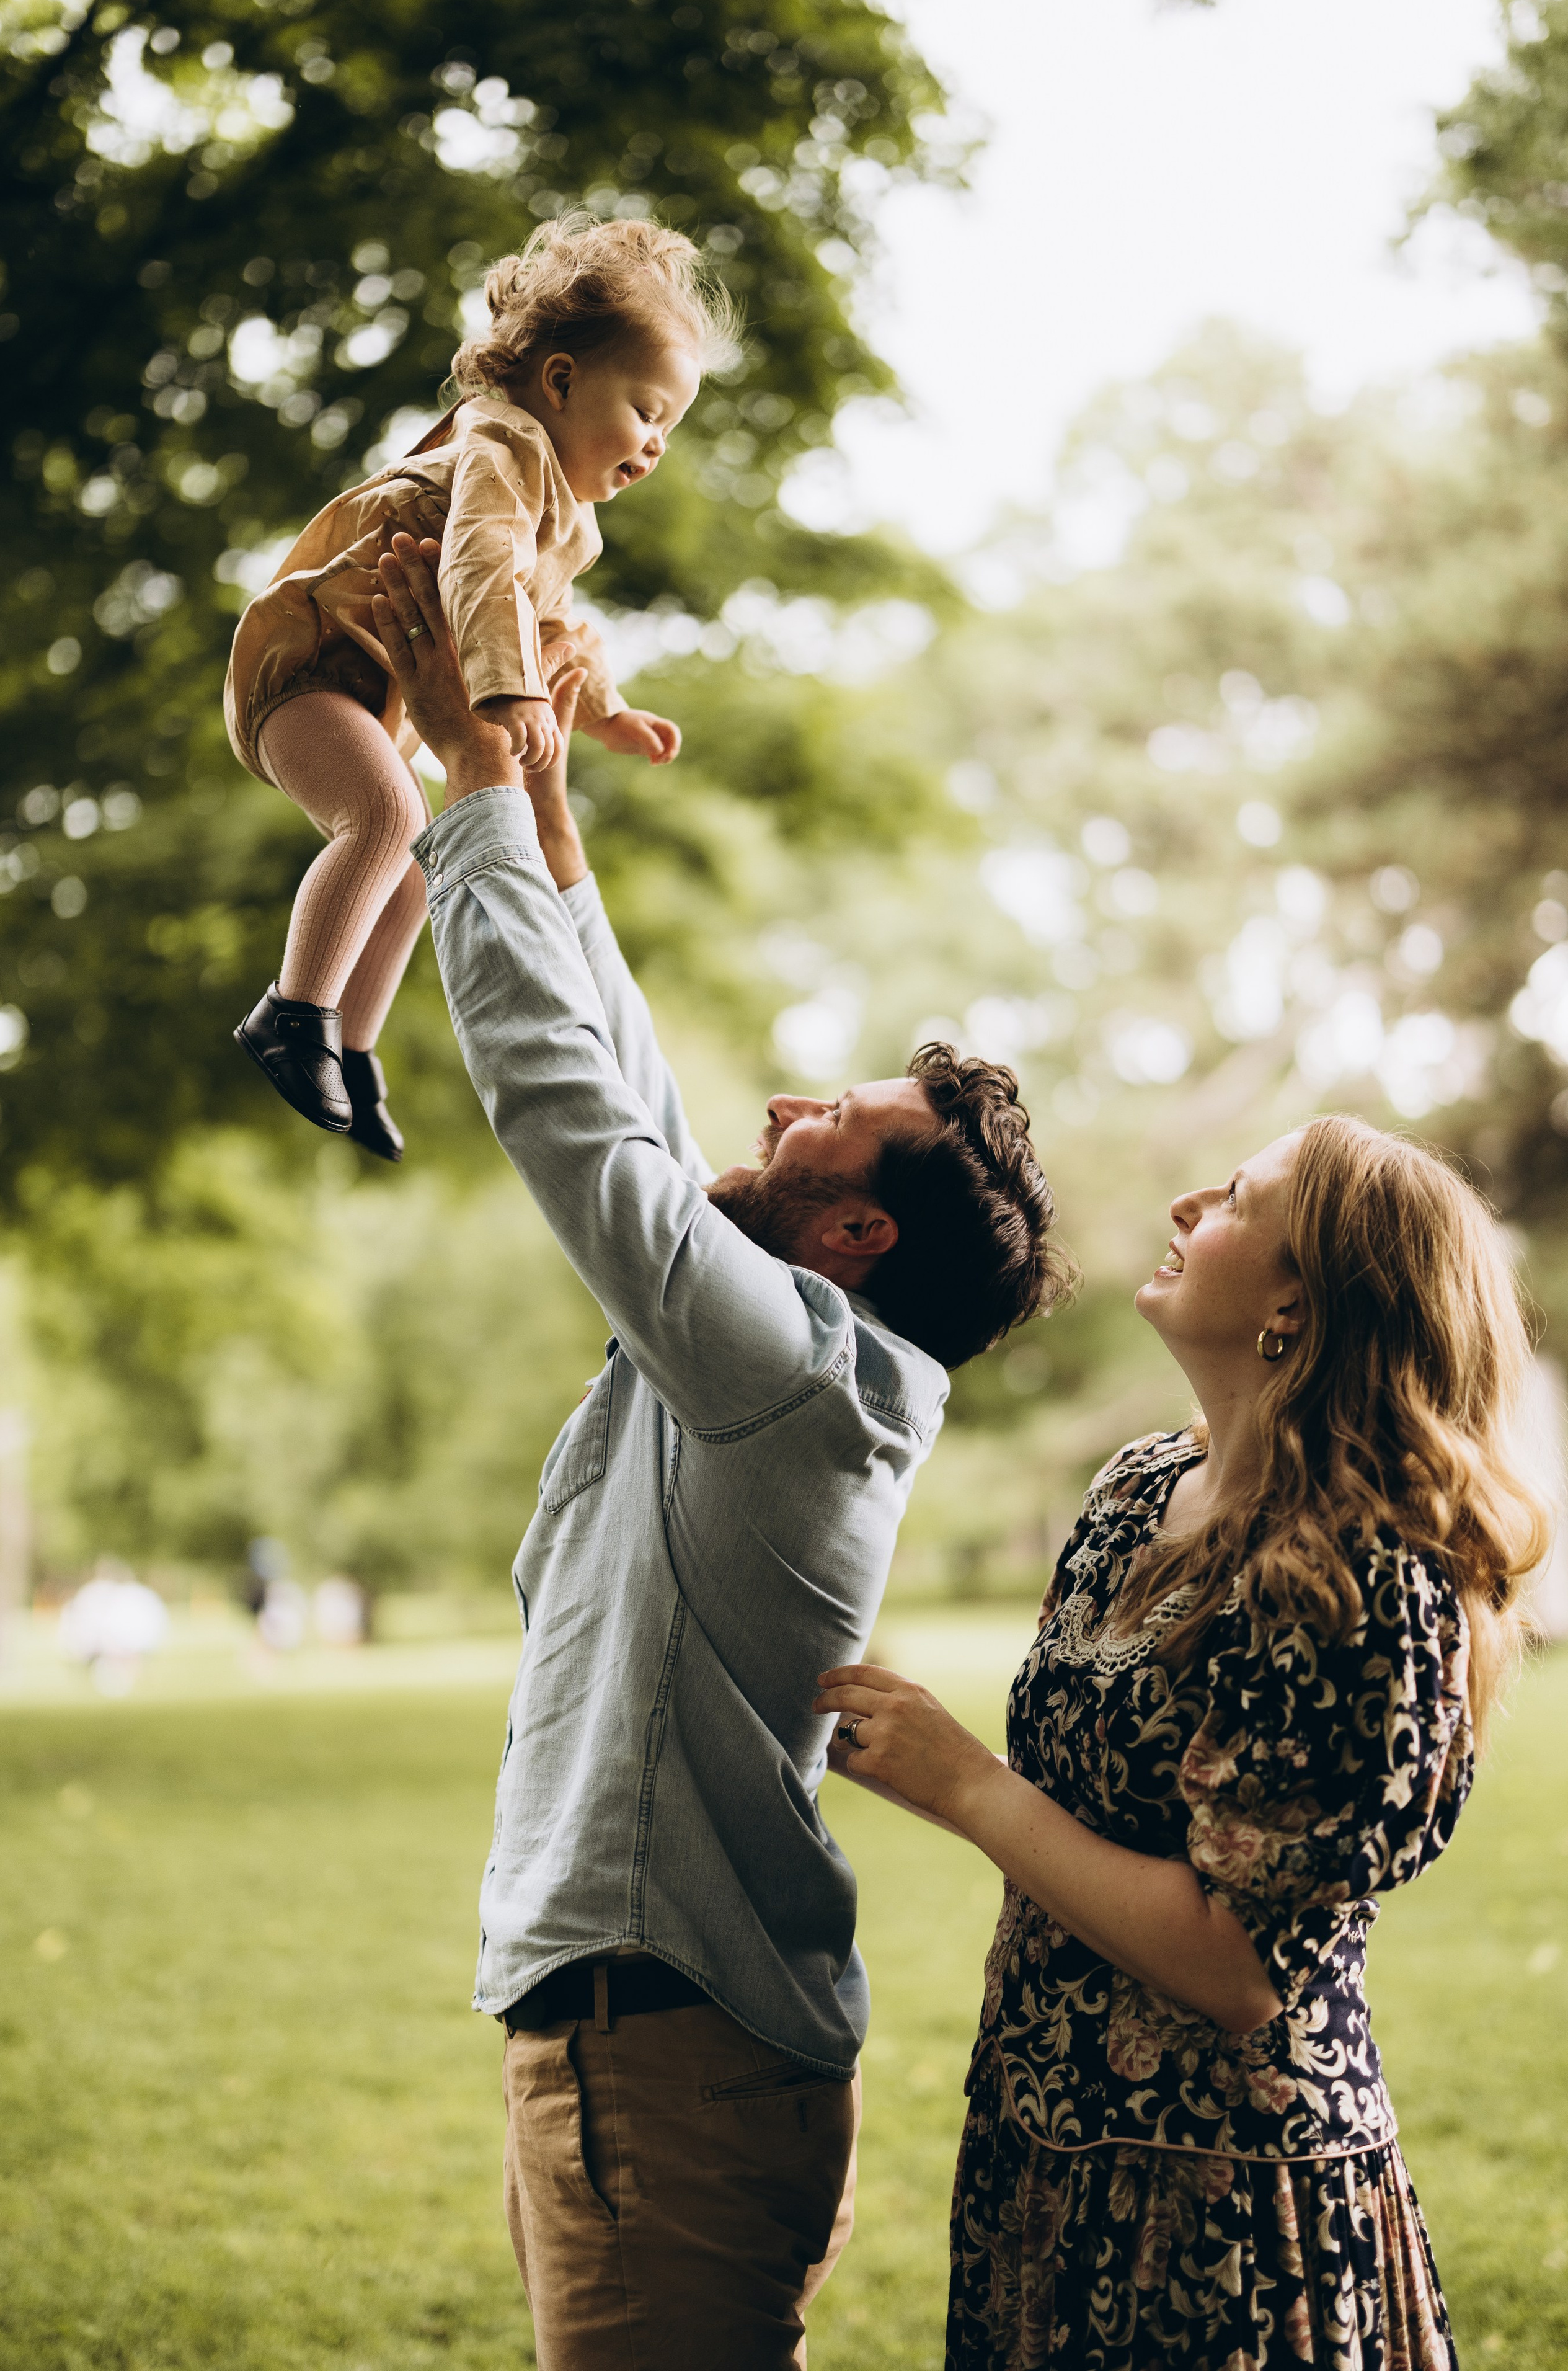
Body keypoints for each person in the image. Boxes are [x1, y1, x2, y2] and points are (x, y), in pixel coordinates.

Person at [365, 532, 1073, 2370]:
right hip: (669, 2048)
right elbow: (650, 1110)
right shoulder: (808, 1356)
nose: (782, 1102)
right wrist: (535, 789)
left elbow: (576, 1118)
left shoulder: (785, 1376)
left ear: (854, 1240)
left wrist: (465, 799)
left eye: (829, 1118)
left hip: (662, 2055)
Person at [817, 1120, 1548, 2370]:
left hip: (1217, 2208)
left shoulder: (1366, 1573)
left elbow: (1235, 1968)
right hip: (1038, 2145)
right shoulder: (1131, 1490)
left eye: (1235, 1198)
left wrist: (964, 1785)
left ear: (1296, 1297)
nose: (1182, 1200)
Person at [224, 212, 732, 1158]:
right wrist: (507, 693)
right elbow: (477, 574)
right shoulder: (494, 458)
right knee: (380, 819)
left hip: (361, 694)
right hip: (303, 674)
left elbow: (551, 626)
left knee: (424, 856)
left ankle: (356, 1048)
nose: (656, 445)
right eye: (648, 410)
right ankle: (291, 1014)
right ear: (562, 380)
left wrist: (605, 709)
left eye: (671, 426)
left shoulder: (561, 519)